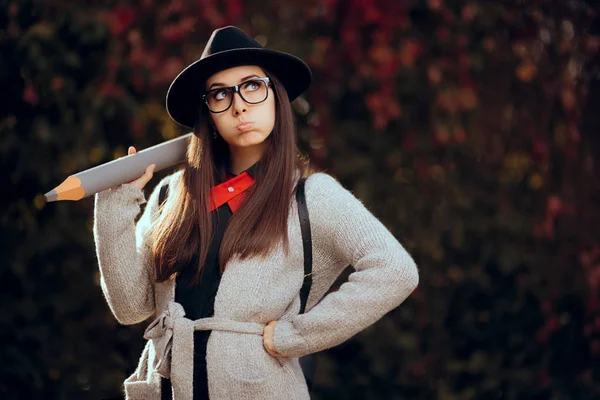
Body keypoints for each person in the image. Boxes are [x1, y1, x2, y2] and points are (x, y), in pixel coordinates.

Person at [93, 25, 419, 400]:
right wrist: (116, 205)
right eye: (220, 93)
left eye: (252, 85)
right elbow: (131, 308)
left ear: (276, 95)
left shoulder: (310, 196)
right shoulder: (171, 194)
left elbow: (394, 270)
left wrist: (295, 335)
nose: (238, 105)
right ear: (207, 111)